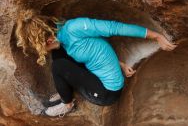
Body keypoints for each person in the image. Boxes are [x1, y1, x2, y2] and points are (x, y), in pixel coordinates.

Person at [15, 9, 177, 117]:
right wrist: (119, 63)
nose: (42, 51)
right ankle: (65, 89)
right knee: (58, 51)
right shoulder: (61, 35)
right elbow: (96, 49)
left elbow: (115, 28)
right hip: (95, 74)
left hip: (107, 92)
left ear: (49, 38)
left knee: (58, 65)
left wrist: (156, 36)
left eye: (42, 47)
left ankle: (67, 104)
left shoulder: (75, 27)